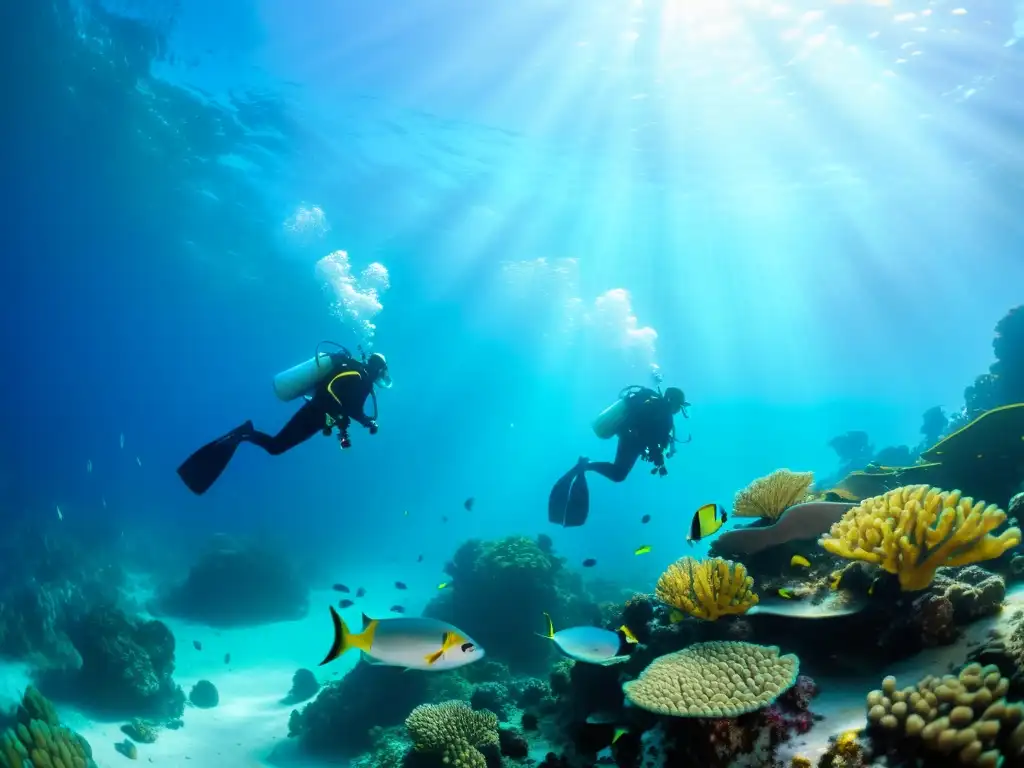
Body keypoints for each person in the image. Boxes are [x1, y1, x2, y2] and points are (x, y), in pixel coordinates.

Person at [177, 350, 392, 495]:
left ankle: (245, 433)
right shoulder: (362, 379)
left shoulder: (355, 372)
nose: (381, 376)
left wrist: (356, 422)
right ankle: (245, 433)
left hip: (315, 414)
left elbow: (346, 405)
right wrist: (364, 421)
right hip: (314, 415)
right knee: (276, 447)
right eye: (382, 371)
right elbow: (341, 400)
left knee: (276, 446)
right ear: (378, 369)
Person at [548, 385, 689, 527]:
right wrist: (659, 460)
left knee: (618, 474)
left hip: (628, 438)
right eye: (679, 405)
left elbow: (650, 434)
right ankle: (586, 464)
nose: (679, 410)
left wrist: (657, 456)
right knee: (618, 474)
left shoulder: (656, 406)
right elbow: (651, 437)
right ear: (672, 400)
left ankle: (587, 464)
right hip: (632, 441)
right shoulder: (663, 411)